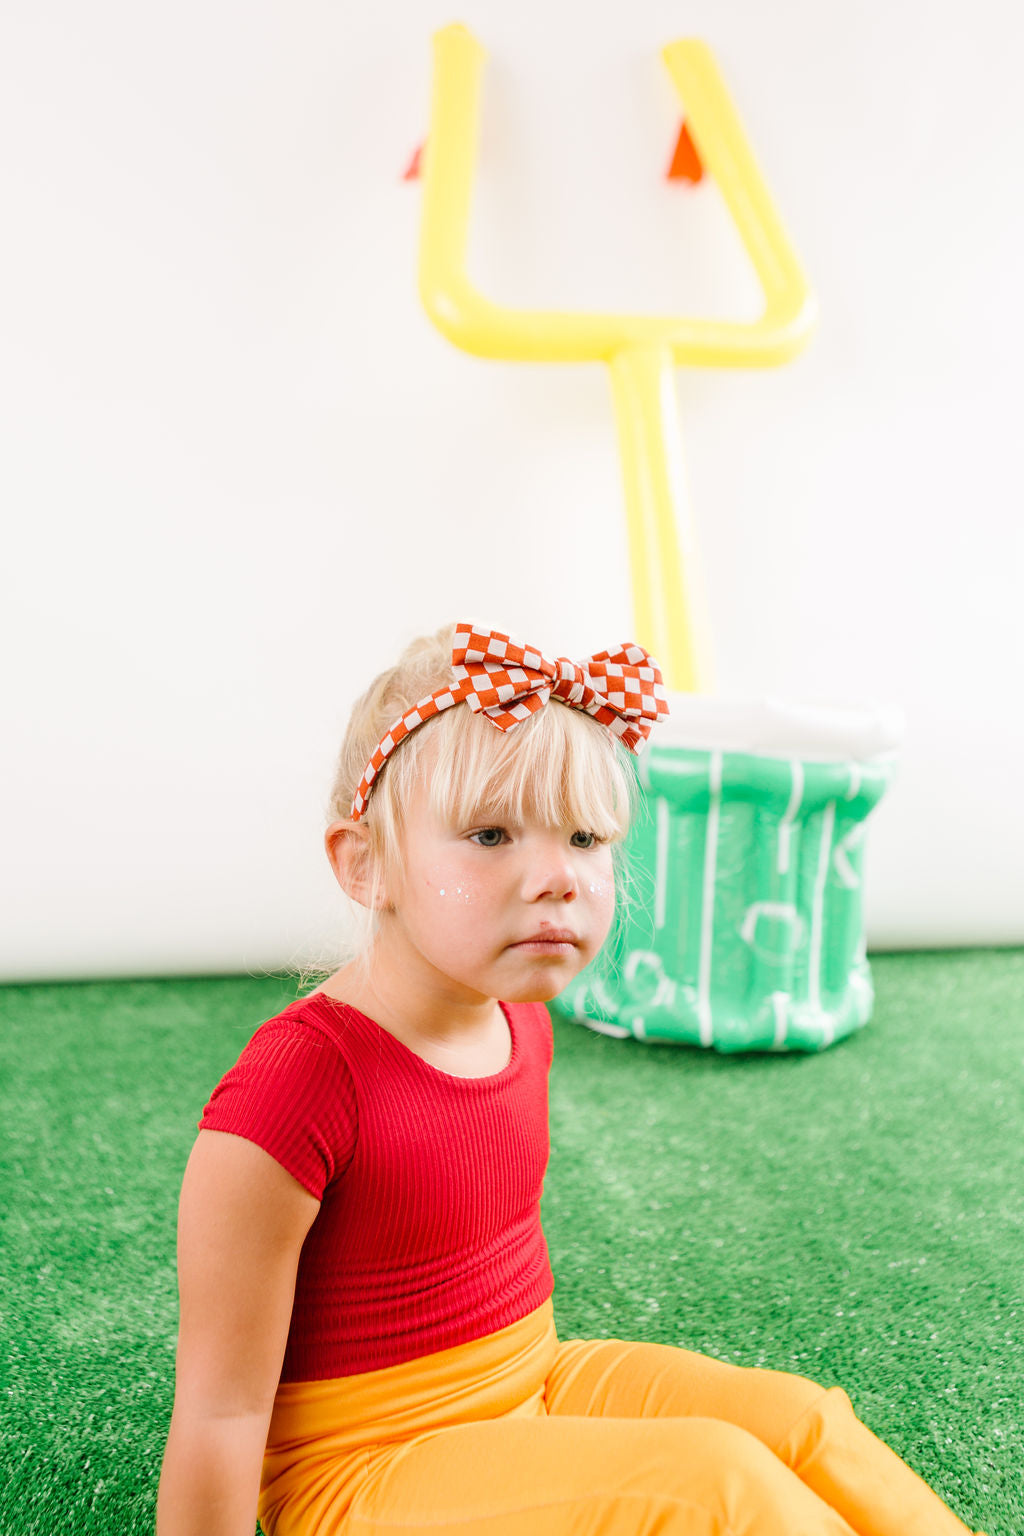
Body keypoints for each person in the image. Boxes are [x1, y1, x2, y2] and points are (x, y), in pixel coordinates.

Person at [156, 621, 982, 1536]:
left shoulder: (522, 1020)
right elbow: (220, 1412)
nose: (557, 877)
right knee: (709, 1484)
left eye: (586, 836)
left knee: (800, 1425)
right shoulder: (296, 1087)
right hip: (360, 1469)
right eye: (490, 833)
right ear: (367, 865)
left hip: (533, 1380)